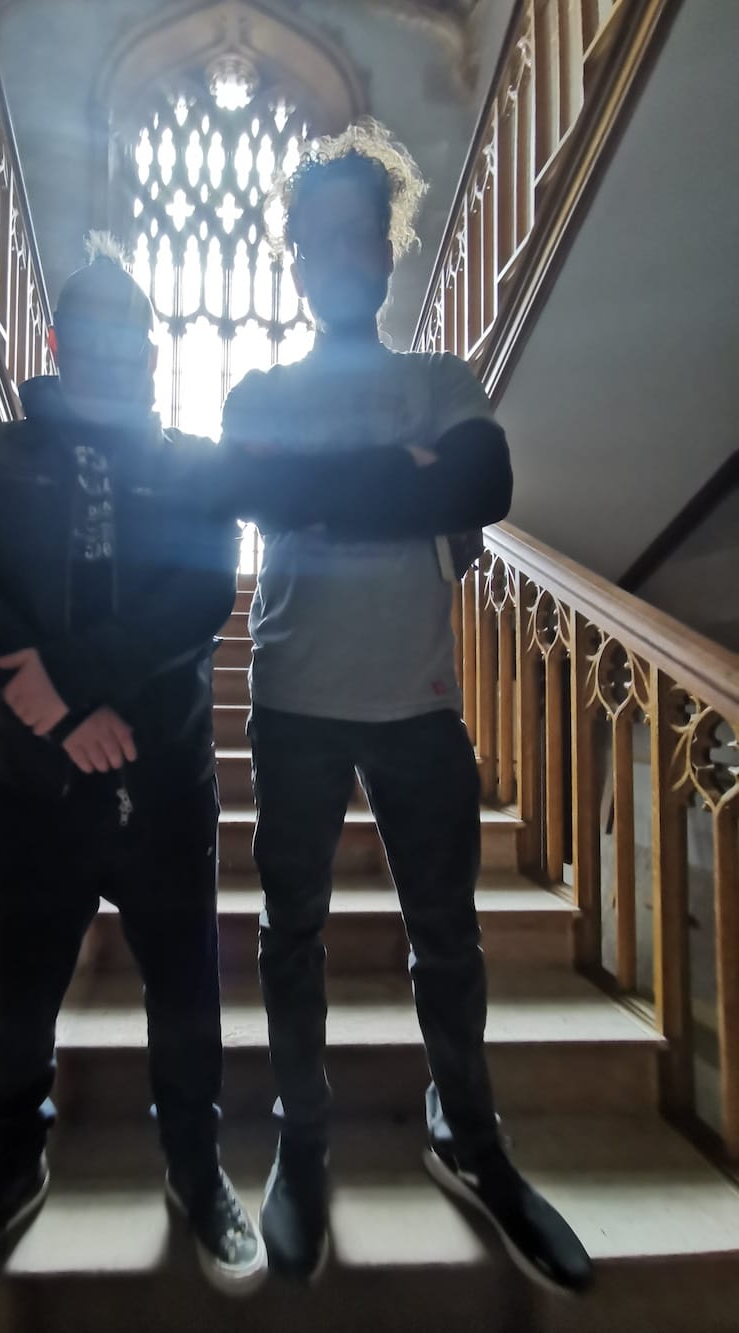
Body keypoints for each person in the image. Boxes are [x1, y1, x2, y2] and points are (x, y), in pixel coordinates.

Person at [155, 120, 594, 1296]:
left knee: (447, 937)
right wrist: (398, 480)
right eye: (319, 235)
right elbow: (244, 486)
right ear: (296, 255)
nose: (340, 252)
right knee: (287, 936)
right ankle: (304, 1145)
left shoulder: (440, 380)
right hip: (293, 697)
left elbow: (483, 485)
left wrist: (321, 487)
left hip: (419, 702)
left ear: (388, 255)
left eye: (363, 233)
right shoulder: (260, 388)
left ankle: (471, 1136)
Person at [0, 235, 267, 1313]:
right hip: (33, 787)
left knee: (186, 989)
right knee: (19, 991)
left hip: (164, 778)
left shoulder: (193, 461)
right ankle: (11, 1164)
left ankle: (196, 1167)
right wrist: (56, 717)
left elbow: (198, 599)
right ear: (61, 342)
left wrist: (70, 684)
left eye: (134, 339)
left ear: (153, 351)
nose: (118, 354)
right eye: (96, 336)